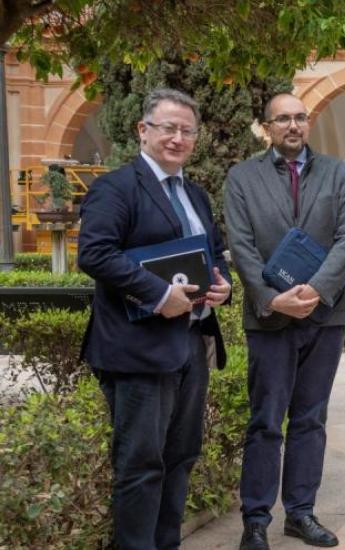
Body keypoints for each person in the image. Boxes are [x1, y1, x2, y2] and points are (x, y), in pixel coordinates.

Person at [77, 87, 232, 550]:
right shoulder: (116, 187)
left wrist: (223, 287)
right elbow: (95, 253)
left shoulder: (196, 194)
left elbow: (211, 255)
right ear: (143, 130)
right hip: (137, 349)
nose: (178, 138)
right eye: (168, 128)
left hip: (190, 342)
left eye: (187, 131)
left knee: (181, 456)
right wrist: (158, 293)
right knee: (141, 465)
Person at [224, 93, 345, 550]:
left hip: (325, 316)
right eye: (282, 118)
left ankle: (300, 514)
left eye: (301, 117)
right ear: (267, 127)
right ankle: (256, 520)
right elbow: (241, 245)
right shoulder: (242, 177)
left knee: (310, 419)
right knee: (266, 420)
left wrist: (317, 289)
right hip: (270, 319)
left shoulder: (338, 172)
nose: (293, 125)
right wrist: (270, 298)